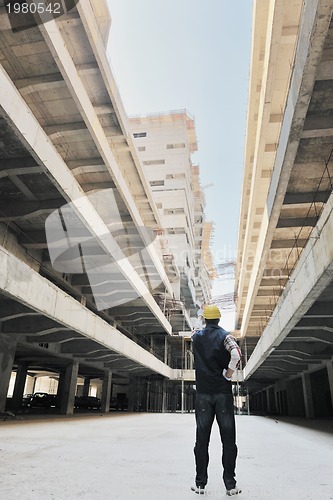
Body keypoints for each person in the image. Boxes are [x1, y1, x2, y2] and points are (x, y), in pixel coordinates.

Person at [191, 304, 242, 496]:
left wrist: (198, 315)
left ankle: (200, 484)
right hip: (223, 394)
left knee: (201, 440)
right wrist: (228, 374)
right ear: (219, 319)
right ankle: (230, 485)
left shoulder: (197, 336)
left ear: (205, 320)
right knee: (228, 441)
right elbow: (236, 354)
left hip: (203, 394)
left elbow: (195, 328)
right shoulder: (225, 336)